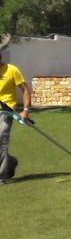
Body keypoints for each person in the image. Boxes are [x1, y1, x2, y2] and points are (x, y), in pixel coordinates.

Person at [0, 44, 32, 183]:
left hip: (5, 110)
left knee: (1, 139)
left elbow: (25, 90)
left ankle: (1, 176)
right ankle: (10, 161)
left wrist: (25, 110)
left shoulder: (11, 70)